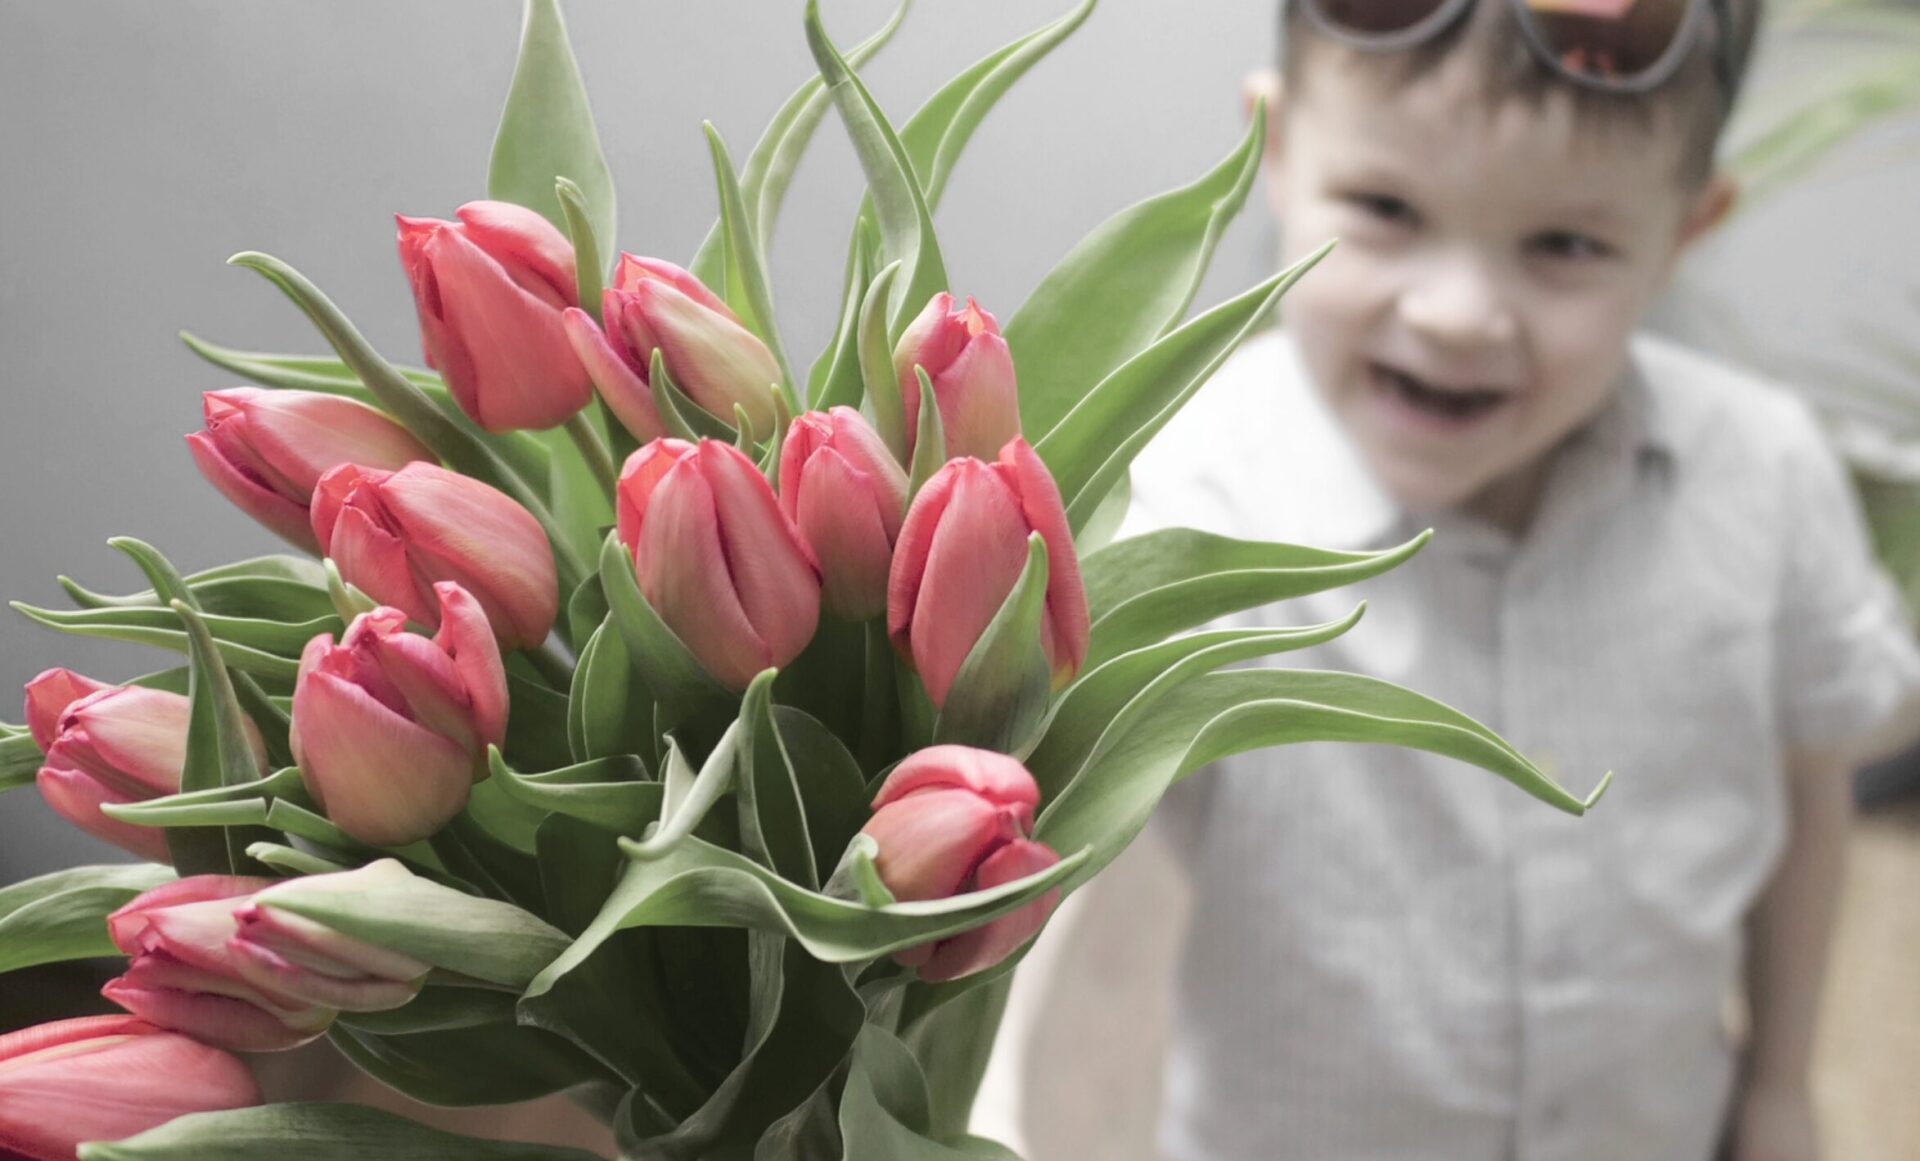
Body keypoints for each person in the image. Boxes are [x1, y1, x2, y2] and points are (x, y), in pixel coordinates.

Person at [1109, 0, 1920, 1158]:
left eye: (1565, 246)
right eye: (1387, 209)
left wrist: (1782, 1083)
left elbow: (1810, 790)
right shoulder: (1178, 507)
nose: (1456, 316)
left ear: (1687, 229)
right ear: (1274, 151)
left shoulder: (1768, 479)